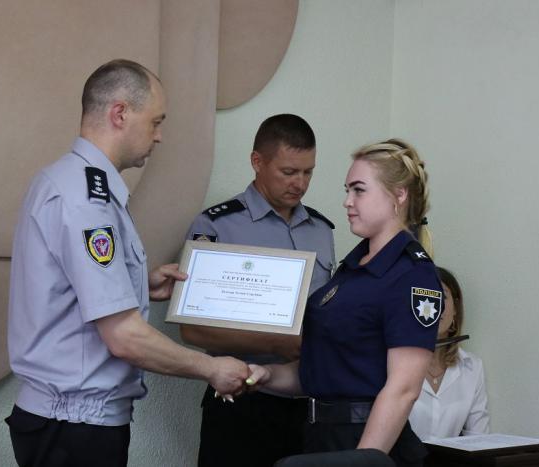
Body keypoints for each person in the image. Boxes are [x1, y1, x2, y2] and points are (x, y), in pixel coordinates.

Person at [4, 59, 250, 467]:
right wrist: (211, 368)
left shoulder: (65, 180)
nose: (159, 136)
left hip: (67, 424)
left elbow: (69, 289)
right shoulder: (87, 200)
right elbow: (124, 337)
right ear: (120, 113)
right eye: (156, 122)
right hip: (74, 427)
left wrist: (140, 285)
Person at [248, 138, 443, 467]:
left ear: (399, 195)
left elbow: (403, 389)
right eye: (347, 190)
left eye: (359, 190)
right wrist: (265, 374)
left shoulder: (412, 275)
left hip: (366, 442)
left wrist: (360, 461)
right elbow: (325, 369)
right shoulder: (352, 269)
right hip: (320, 436)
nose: (347, 202)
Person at [181, 114, 336, 467]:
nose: (300, 183)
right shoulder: (217, 226)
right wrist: (274, 343)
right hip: (241, 401)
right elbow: (192, 329)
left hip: (310, 404)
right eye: (289, 172)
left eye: (308, 172)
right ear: (257, 161)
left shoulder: (321, 230)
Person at [409, 267, 490, 442]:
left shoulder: (472, 367)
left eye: (442, 296)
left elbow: (479, 440)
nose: (433, 306)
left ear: (455, 308)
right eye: (425, 297)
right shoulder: (391, 363)